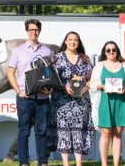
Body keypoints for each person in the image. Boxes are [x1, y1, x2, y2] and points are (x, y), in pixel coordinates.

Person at [8, 19, 53, 166]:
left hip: (43, 97)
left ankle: (43, 162)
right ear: (27, 31)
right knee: (24, 131)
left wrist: (50, 88)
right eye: (31, 30)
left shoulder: (47, 51)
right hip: (25, 98)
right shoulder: (18, 51)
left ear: (39, 31)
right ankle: (23, 162)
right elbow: (10, 73)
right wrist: (18, 91)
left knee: (42, 131)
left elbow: (51, 73)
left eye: (36, 29)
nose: (34, 32)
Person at [47, 31, 93, 166]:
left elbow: (92, 77)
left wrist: (88, 85)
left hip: (81, 101)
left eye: (76, 40)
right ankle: (66, 163)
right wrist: (63, 86)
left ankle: (79, 163)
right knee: (64, 131)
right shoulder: (58, 58)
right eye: (70, 40)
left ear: (78, 43)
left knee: (79, 130)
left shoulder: (85, 58)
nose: (73, 42)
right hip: (62, 101)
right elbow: (53, 78)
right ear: (65, 42)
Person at [89, 41, 125, 166]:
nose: (111, 52)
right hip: (104, 102)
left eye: (113, 50)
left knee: (117, 133)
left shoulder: (124, 66)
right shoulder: (99, 66)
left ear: (117, 51)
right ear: (104, 52)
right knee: (106, 132)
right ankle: (104, 163)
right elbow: (92, 84)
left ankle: (116, 163)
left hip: (120, 102)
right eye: (108, 50)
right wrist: (102, 86)